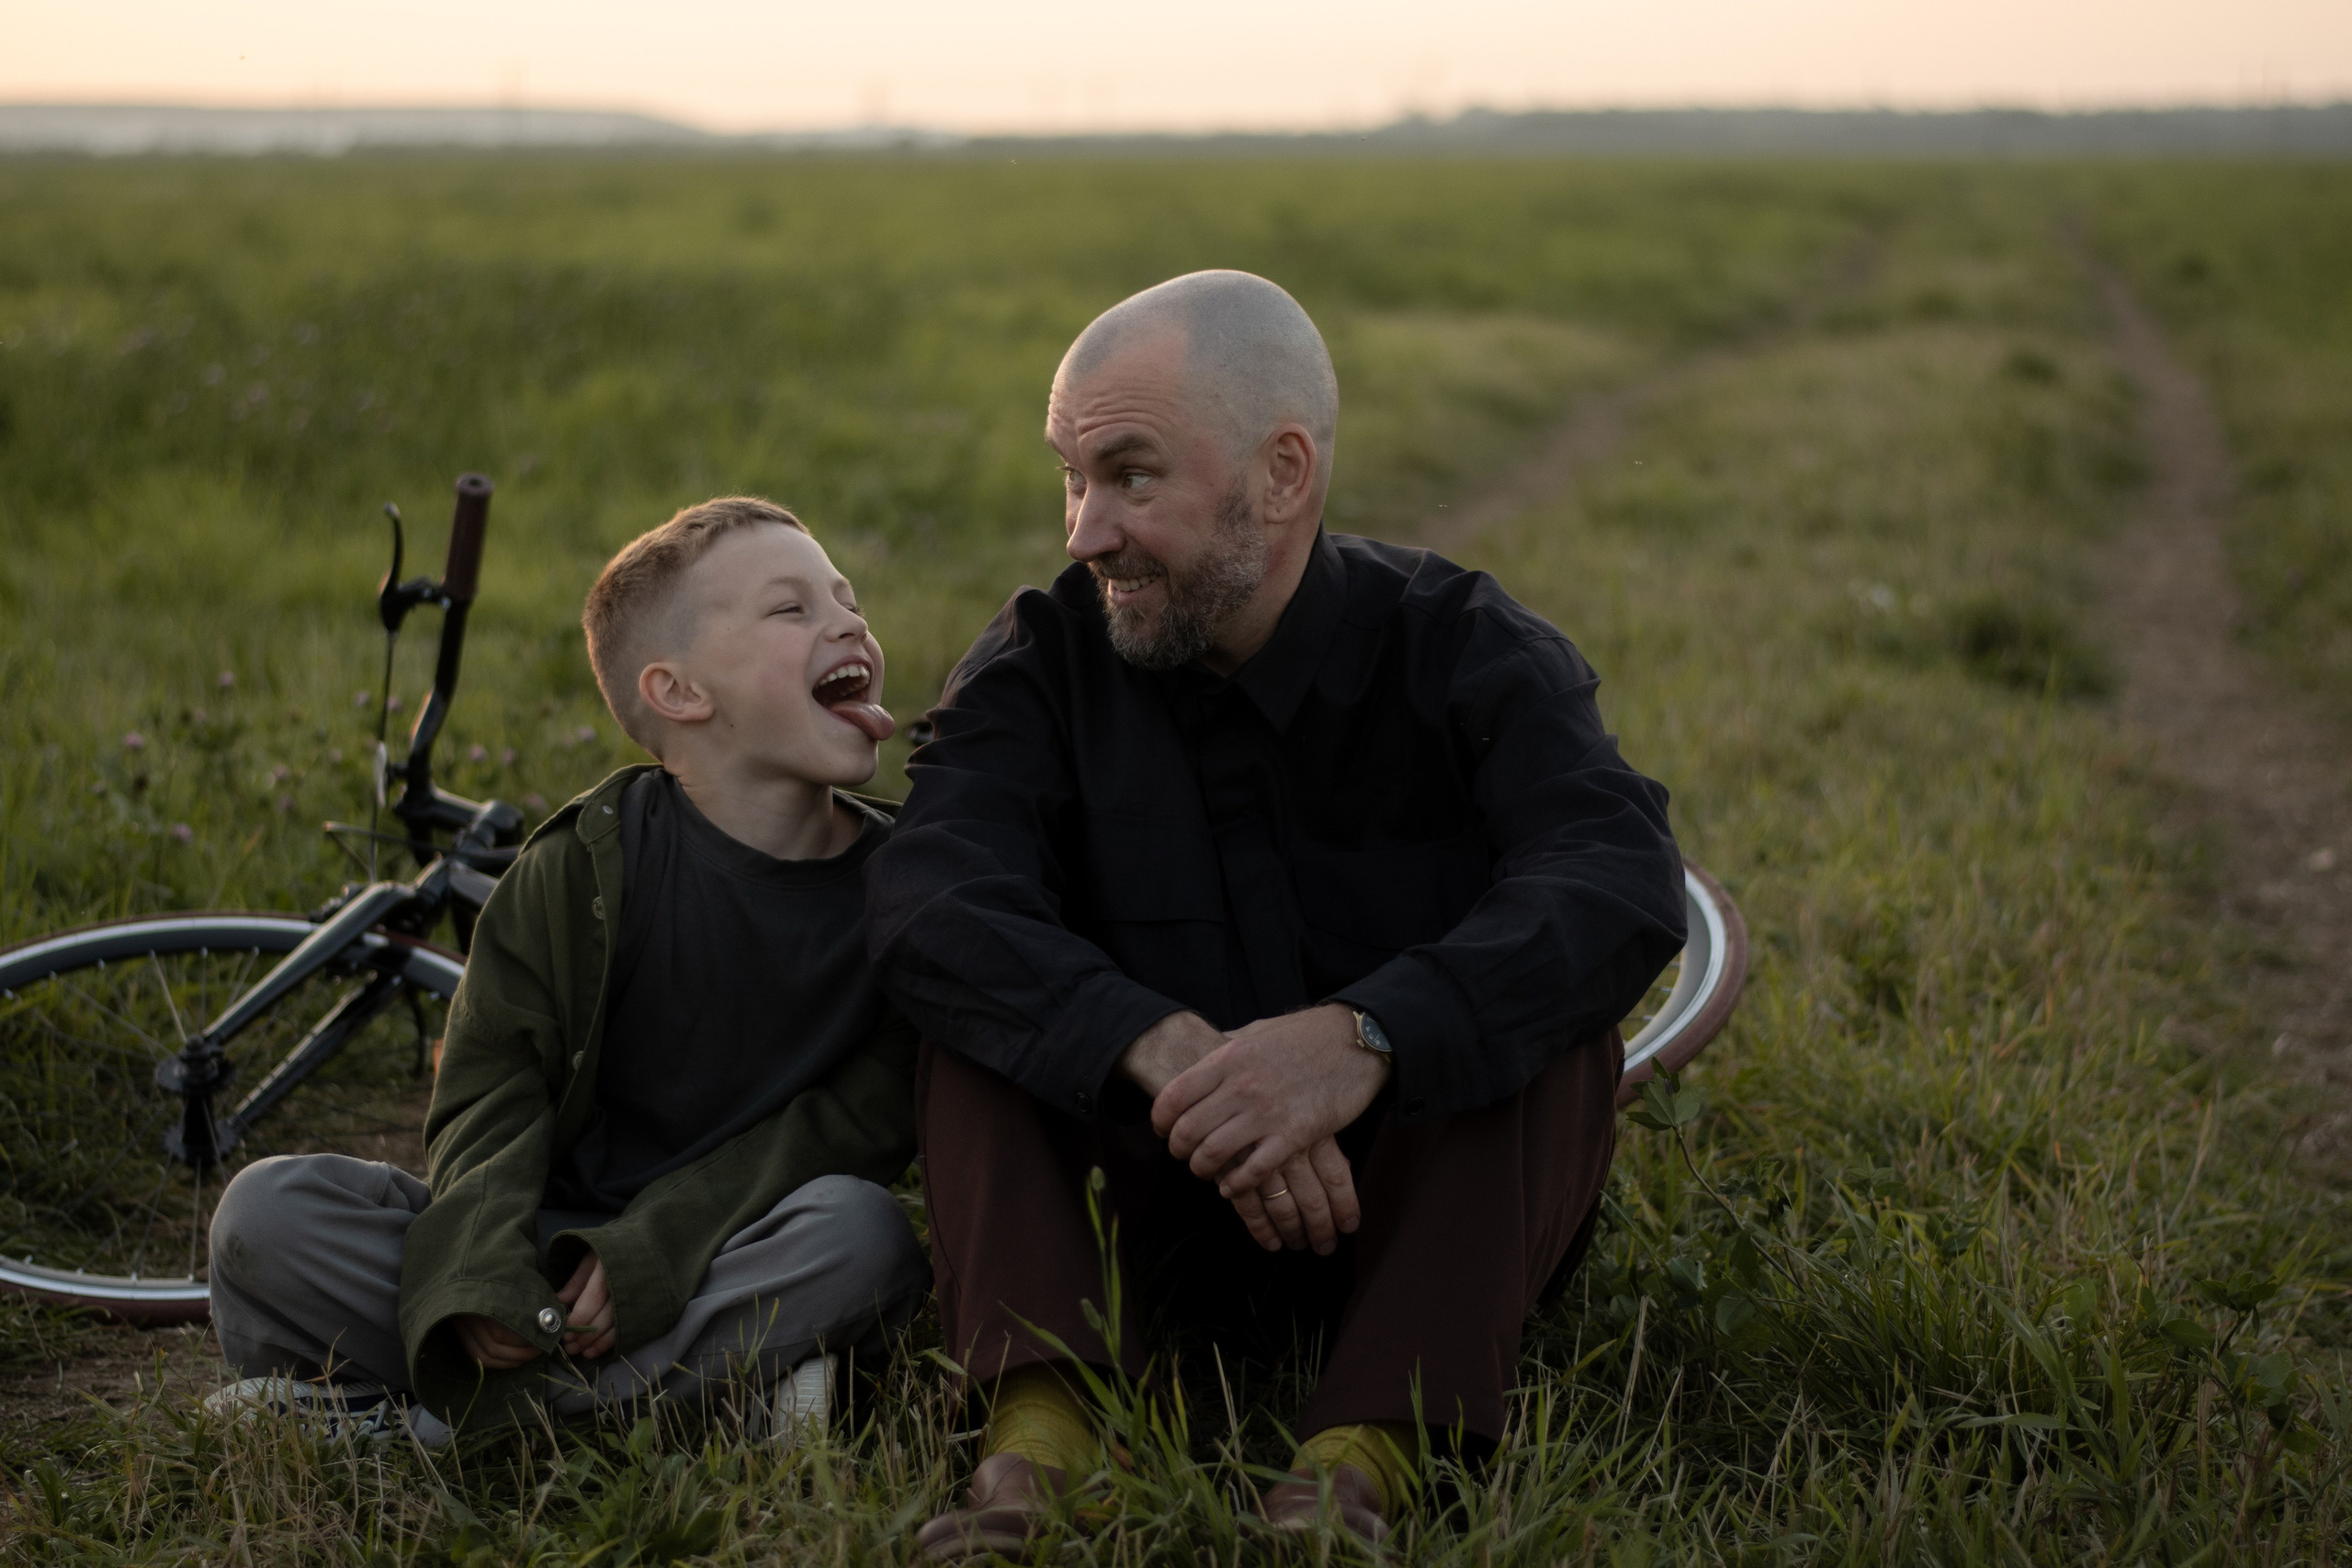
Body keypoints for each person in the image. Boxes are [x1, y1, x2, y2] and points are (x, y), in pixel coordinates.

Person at [868, 271, 1687, 1554]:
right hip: (1135, 1201)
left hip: (1403, 1202)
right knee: (980, 1012)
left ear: (1285, 472)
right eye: (1071, 478)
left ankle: (1353, 1472)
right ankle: (1037, 1458)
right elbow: (929, 892)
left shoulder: (1463, 648)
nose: (1085, 531)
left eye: (1130, 476)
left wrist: (1363, 1037)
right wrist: (1165, 1046)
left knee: (1532, 1019)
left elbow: (1617, 875)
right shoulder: (1044, 660)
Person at [205, 496, 929, 1444]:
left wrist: (650, 1256)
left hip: (723, 1257)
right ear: (678, 694)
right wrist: (476, 1277)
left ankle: (433, 1435)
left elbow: (855, 1126)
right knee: (268, 1215)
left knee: (862, 1235)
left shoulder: (910, 900)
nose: (849, 623)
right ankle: (691, 1412)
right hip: (536, 1271)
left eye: (849, 600)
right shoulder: (584, 867)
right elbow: (490, 1090)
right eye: (792, 610)